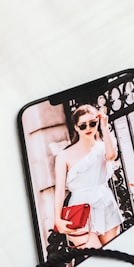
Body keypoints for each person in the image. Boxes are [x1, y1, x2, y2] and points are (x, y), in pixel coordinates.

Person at [51, 104, 122, 249]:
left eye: (92, 123)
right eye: (83, 125)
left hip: (106, 204)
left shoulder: (103, 147)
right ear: (76, 127)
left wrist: (104, 127)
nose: (88, 128)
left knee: (115, 253)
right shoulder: (63, 156)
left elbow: (111, 155)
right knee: (96, 261)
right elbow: (59, 190)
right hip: (80, 212)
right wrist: (57, 219)